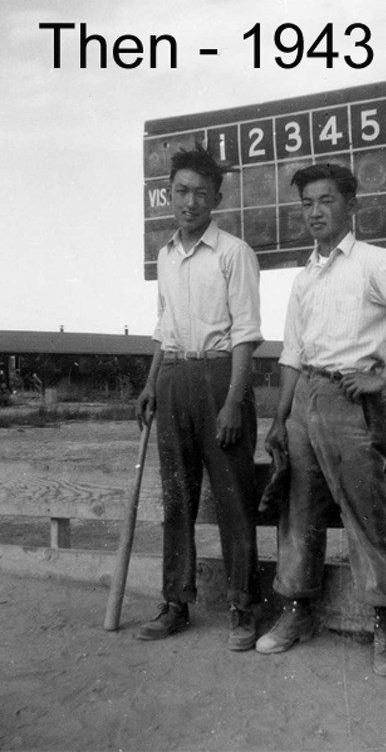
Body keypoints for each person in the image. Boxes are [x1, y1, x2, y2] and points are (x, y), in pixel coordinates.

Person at [254, 163, 386, 678]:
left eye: (326, 201)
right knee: (298, 512)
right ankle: (296, 614)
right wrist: (279, 417)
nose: (315, 211)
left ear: (350, 206)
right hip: (304, 400)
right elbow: (292, 353)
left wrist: (382, 379)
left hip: (351, 400)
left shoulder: (375, 262)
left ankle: (384, 627)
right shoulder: (304, 276)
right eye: (307, 203)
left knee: (364, 514)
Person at [135, 145, 263, 651]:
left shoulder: (233, 253)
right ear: (170, 194)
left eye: (201, 194)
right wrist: (150, 385)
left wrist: (233, 402)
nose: (189, 202)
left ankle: (242, 606)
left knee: (234, 501)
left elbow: (246, 336)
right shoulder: (166, 256)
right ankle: (175, 602)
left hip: (219, 382)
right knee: (177, 501)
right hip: (174, 381)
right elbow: (164, 332)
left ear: (216, 199)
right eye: (182, 191)